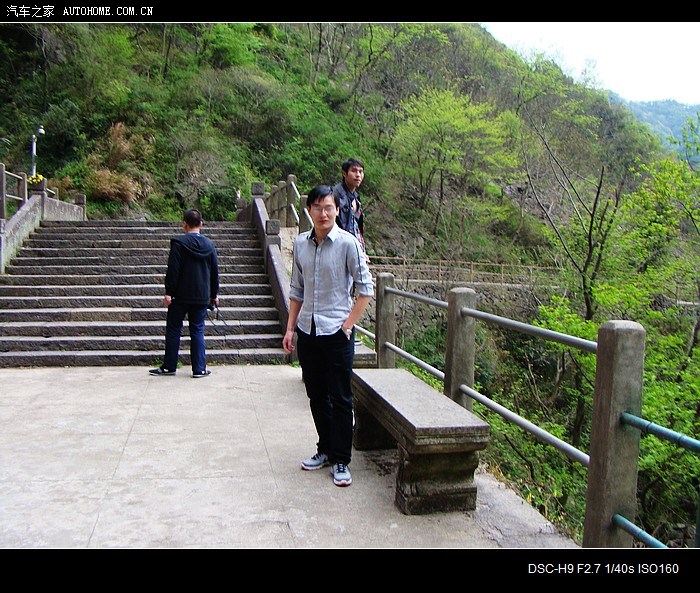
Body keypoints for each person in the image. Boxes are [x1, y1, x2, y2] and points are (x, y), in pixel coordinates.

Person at [283, 185, 374, 487]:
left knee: (341, 398)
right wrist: (290, 328)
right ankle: (325, 449)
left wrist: (347, 326)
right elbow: (297, 290)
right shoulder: (301, 243)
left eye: (329, 207)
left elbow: (365, 290)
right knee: (316, 395)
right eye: (317, 207)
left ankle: (341, 459)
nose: (323, 213)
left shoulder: (348, 244)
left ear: (337, 210)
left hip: (337, 332)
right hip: (308, 331)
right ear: (309, 210)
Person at [149, 209, 219, 378]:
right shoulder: (209, 245)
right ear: (201, 224)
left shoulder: (178, 243)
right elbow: (214, 272)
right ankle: (199, 369)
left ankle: (169, 366)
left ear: (184, 224)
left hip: (180, 295)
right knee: (197, 330)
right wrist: (214, 294)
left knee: (174, 329)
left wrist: (169, 292)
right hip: (201, 295)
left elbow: (173, 270)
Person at [332, 158, 367, 256]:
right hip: (342, 248)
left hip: (356, 247)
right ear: (344, 173)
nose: (358, 175)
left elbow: (356, 226)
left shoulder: (356, 197)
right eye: (354, 171)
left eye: (360, 171)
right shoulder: (336, 195)